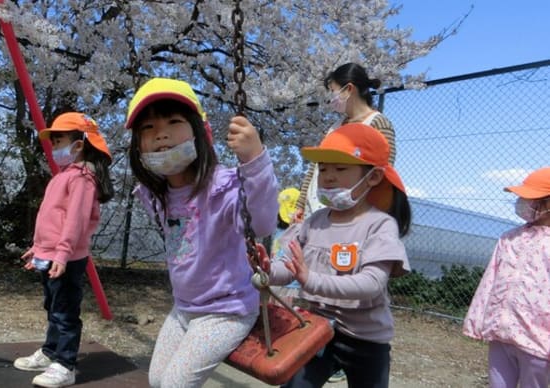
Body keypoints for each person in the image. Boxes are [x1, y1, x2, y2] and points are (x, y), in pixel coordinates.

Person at [124, 77, 278, 387]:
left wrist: (255, 161)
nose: (161, 133)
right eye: (148, 128)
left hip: (225, 310)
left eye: (173, 121)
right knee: (156, 380)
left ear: (199, 132)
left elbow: (261, 225)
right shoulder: (158, 195)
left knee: (173, 385)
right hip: (184, 307)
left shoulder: (222, 188)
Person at [266, 123, 411, 388]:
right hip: (314, 328)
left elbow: (371, 284)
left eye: (340, 168)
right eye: (323, 169)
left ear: (373, 177)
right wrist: (265, 269)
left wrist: (311, 279)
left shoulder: (379, 225)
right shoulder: (313, 222)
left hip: (366, 340)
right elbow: (287, 268)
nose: (328, 177)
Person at [13, 112, 114, 388]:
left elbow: (75, 220)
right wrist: (37, 247)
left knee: (66, 311)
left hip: (66, 257)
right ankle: (50, 352)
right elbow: (51, 217)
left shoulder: (82, 177)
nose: (55, 147)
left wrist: (62, 253)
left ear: (78, 145)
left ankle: (65, 364)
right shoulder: (65, 175)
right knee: (53, 306)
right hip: (51, 253)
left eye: (59, 141)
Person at [462, 167, 550, 388]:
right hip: (500, 334)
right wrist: (476, 321)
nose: (521, 202)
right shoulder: (509, 238)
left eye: (530, 198)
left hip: (539, 342)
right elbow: (489, 281)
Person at [298, 62, 396, 219]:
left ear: (349, 89)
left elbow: (385, 171)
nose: (332, 98)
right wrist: (300, 204)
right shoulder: (334, 127)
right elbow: (314, 168)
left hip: (351, 212)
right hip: (316, 209)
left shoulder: (378, 123)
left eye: (333, 91)